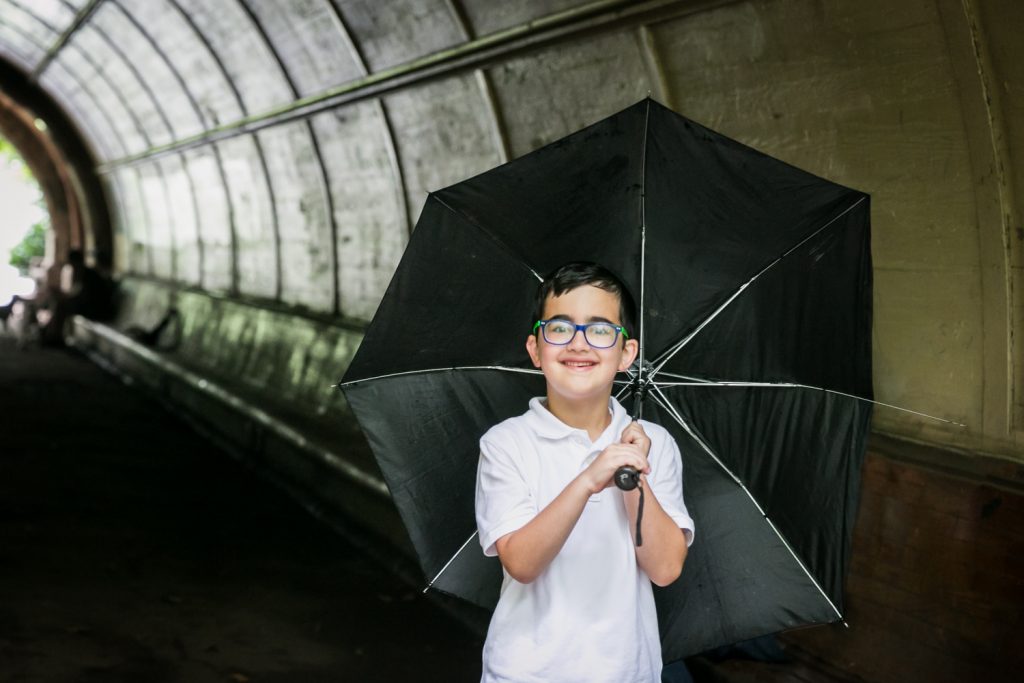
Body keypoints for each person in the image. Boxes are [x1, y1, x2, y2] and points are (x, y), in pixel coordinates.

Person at [475, 261, 695, 683]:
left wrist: (634, 477)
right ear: (536, 349)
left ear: (626, 353)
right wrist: (589, 480)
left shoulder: (653, 444)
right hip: (527, 672)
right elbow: (521, 562)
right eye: (559, 328)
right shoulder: (506, 444)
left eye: (600, 330)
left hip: (627, 670)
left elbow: (666, 568)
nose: (578, 344)